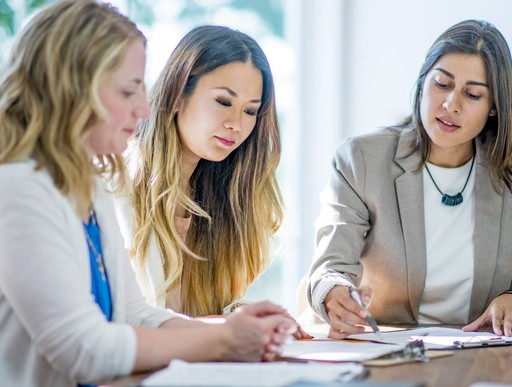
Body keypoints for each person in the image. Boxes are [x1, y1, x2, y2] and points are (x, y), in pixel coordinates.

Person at [0, 1, 295, 386]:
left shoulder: (85, 184)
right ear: (68, 90)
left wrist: (237, 331)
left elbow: (135, 314)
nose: (144, 108)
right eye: (128, 91)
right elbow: (83, 349)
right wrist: (222, 340)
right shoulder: (17, 189)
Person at [306, 19, 512, 339]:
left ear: (494, 107)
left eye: (473, 94)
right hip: (383, 344)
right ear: (423, 83)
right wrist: (335, 294)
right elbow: (329, 270)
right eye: (442, 84)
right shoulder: (361, 159)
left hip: (477, 352)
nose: (451, 104)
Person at [115, 25, 309, 337]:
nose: (236, 124)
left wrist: (239, 312)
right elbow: (130, 322)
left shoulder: (220, 198)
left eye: (250, 111)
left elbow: (202, 312)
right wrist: (226, 325)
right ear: (178, 94)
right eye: (223, 101)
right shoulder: (122, 188)